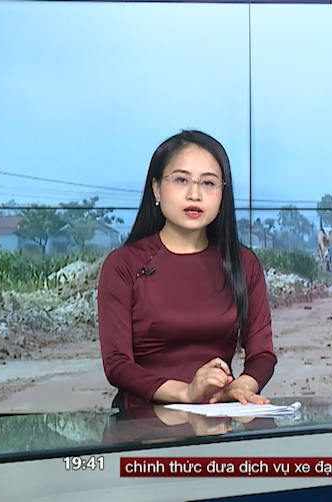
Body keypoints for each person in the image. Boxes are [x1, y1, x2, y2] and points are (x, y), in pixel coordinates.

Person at [98, 130, 277, 410]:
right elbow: (117, 364)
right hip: (141, 423)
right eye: (181, 180)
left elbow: (262, 354)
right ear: (157, 189)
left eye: (208, 183)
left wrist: (242, 386)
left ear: (222, 194)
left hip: (217, 418)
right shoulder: (123, 265)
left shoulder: (244, 264)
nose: (195, 194)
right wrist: (186, 393)